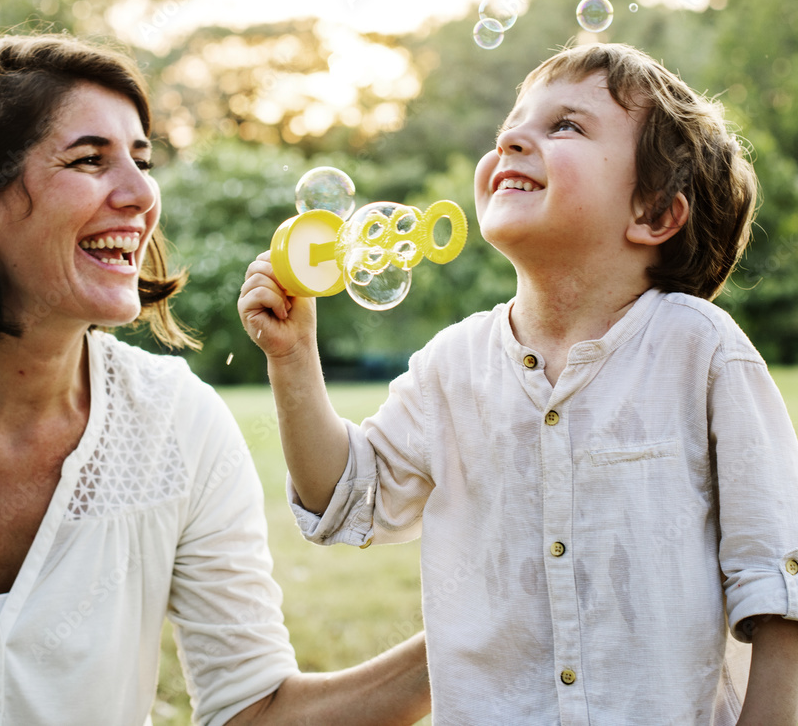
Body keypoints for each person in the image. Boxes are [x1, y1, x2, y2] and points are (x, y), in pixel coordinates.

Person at [0, 33, 431, 725]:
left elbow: (256, 711)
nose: (140, 194)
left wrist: (483, 631)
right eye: (90, 160)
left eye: (142, 159)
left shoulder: (180, 425)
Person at [239, 42, 798, 724]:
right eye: (513, 120)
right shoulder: (453, 364)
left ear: (654, 214)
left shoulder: (701, 351)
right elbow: (346, 497)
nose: (510, 137)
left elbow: (777, 585)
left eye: (565, 125)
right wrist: (293, 356)